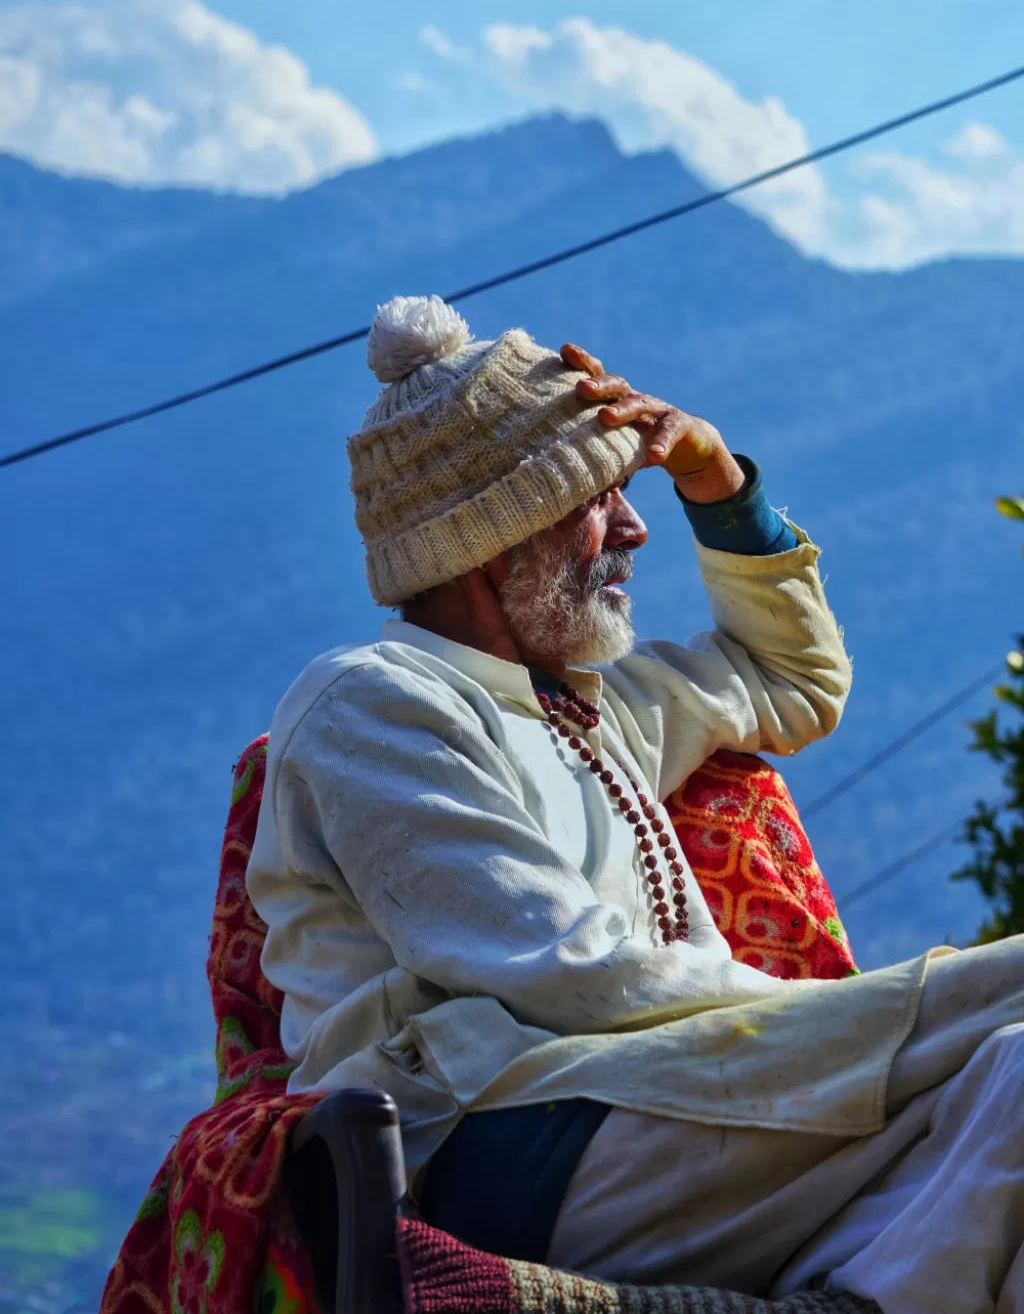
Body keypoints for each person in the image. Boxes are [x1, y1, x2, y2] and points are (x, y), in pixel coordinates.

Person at [248, 294, 1024, 1314]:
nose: (636, 527)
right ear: (494, 542)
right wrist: (859, 1027)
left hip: (674, 1111)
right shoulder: (374, 705)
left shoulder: (592, 702)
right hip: (505, 1145)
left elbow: (793, 680)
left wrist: (716, 480)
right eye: (600, 499)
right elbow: (568, 973)